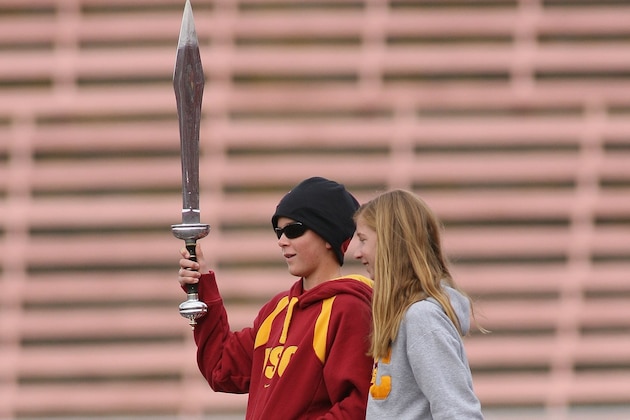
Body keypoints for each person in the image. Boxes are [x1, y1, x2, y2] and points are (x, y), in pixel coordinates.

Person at [178, 176, 374, 419]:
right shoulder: (278, 309)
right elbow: (221, 368)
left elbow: (358, 405)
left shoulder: (350, 308)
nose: (282, 241)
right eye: (279, 232)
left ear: (327, 236)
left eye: (294, 230)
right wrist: (202, 286)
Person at [353, 189, 484, 419]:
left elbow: (457, 411)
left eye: (363, 240)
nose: (357, 253)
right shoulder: (401, 315)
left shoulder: (421, 318)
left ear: (389, 243)